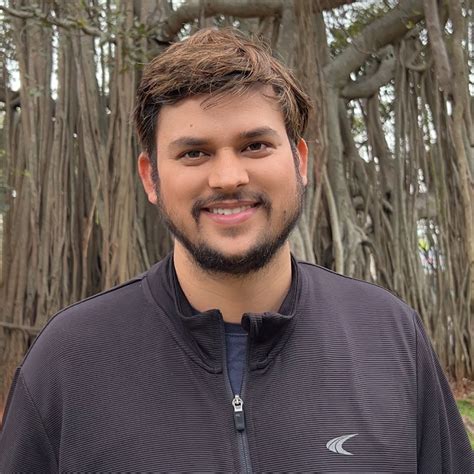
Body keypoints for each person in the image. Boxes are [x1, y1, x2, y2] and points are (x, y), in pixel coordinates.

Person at [0, 28, 471, 473]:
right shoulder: (69, 359)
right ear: (150, 177)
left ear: (300, 161)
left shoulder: (391, 338)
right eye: (194, 153)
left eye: (255, 145)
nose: (228, 178)